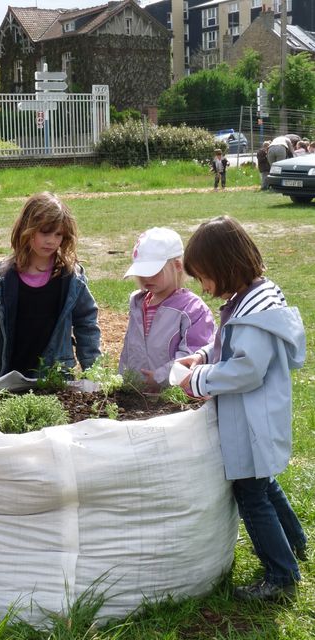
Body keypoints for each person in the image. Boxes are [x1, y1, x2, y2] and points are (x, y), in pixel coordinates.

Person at [178, 216, 307, 602]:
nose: (204, 286)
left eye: (204, 276)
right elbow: (225, 344)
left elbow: (246, 369)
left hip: (252, 419)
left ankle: (281, 576)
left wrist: (199, 379)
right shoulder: (248, 299)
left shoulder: (255, 312)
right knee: (262, 482)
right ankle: (295, 543)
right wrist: (202, 355)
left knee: (250, 492)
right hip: (253, 417)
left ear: (224, 266)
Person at [0, 191, 101, 379]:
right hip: (8, 375)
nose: (51, 240)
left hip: (55, 377)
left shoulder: (71, 277)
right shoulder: (1, 276)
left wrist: (94, 373)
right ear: (27, 228)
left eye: (58, 234)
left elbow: (86, 323)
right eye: (45, 232)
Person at [118, 227, 215, 392]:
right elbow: (129, 348)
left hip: (174, 395)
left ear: (177, 265)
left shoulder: (191, 309)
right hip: (138, 393)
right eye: (142, 272)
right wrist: (124, 378)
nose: (146, 278)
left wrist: (161, 377)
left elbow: (194, 352)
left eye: (153, 272)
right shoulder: (138, 303)